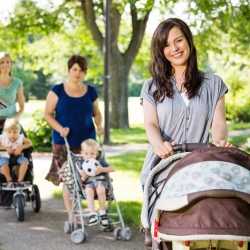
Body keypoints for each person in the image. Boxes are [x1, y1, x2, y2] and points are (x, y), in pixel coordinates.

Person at [140, 18, 231, 247]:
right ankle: (155, 232)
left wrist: (220, 142)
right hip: (164, 160)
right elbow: (150, 124)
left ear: (188, 40)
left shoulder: (213, 84)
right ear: (161, 52)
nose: (175, 48)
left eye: (179, 40)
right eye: (167, 45)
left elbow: (218, 123)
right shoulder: (152, 86)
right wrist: (159, 144)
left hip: (199, 160)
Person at [44, 54, 103, 226]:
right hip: (64, 142)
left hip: (87, 145)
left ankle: (93, 211)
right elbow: (47, 114)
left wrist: (99, 125)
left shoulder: (91, 91)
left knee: (88, 177)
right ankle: (72, 215)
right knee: (70, 181)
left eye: (81, 70)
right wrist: (60, 128)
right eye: (75, 69)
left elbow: (96, 113)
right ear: (69, 70)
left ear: (85, 73)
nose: (78, 73)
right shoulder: (58, 90)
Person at [79, 139, 113, 228]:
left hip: (100, 182)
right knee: (88, 190)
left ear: (96, 154)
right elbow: (82, 178)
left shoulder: (100, 161)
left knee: (100, 189)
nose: (89, 156)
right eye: (86, 153)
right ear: (82, 153)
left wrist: (102, 169)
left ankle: (102, 212)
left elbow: (112, 168)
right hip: (89, 184)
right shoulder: (82, 164)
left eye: (92, 154)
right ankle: (92, 213)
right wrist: (85, 175)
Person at [0, 118, 32, 185]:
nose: (12, 135)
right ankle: (9, 180)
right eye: (9, 132)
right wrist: (6, 148)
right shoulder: (2, 138)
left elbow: (30, 143)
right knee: (3, 165)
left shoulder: (21, 137)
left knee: (25, 162)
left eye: (15, 132)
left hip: (18, 156)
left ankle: (20, 180)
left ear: (19, 131)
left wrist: (21, 147)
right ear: (5, 132)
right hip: (4, 157)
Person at [0, 52, 25, 131]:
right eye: (2, 62)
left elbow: (22, 107)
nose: (5, 64)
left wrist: (15, 120)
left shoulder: (17, 83)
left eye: (8, 62)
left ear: (11, 64)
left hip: (10, 124)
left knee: (26, 143)